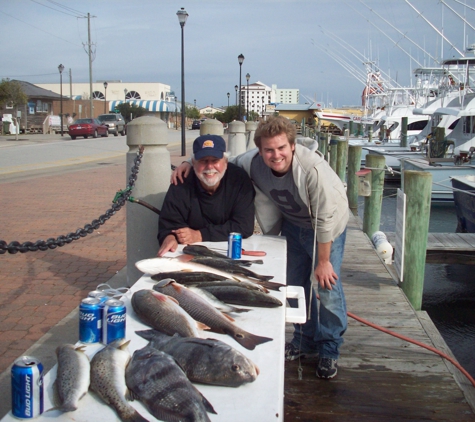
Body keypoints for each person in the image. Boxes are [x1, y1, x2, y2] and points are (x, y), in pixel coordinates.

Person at [172, 116, 349, 379]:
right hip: (293, 225)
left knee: (327, 287)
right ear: (260, 150)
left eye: (281, 148)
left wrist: (323, 262)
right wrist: (189, 162)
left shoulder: (312, 170)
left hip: (326, 228)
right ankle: (304, 340)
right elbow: (221, 162)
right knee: (294, 285)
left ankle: (329, 349)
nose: (275, 155)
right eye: (268, 150)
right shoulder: (253, 162)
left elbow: (325, 219)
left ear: (292, 146)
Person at [157, 134, 255, 256]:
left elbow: (244, 225)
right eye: (203, 161)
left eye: (215, 160)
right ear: (193, 162)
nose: (209, 167)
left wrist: (199, 235)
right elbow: (169, 222)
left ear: (225, 161)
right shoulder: (182, 181)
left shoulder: (239, 179)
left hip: (231, 251)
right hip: (190, 253)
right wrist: (169, 237)